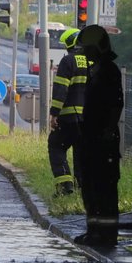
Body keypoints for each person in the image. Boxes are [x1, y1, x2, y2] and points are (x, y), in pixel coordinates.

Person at [74, 25, 124, 247]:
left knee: (103, 187)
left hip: (102, 140)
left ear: (97, 47)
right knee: (91, 186)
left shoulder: (109, 71)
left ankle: (106, 234)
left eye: (86, 48)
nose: (83, 52)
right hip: (92, 137)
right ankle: (94, 231)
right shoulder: (97, 70)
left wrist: (107, 130)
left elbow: (115, 105)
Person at [48, 27, 85, 196]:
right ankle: (82, 188)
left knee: (56, 145)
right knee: (82, 151)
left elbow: (61, 89)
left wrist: (54, 113)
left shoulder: (68, 61)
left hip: (70, 117)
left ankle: (65, 187)